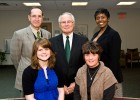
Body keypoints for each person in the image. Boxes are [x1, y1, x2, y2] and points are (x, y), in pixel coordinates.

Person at [10, 7, 51, 93]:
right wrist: (23, 69)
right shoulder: (19, 34)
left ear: (42, 18)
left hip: (43, 73)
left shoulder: (47, 34)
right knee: (27, 96)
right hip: (27, 72)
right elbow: (15, 57)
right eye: (34, 16)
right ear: (29, 18)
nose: (37, 19)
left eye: (39, 16)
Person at [49, 12, 88, 100]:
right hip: (57, 87)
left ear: (73, 24)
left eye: (69, 21)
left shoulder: (83, 41)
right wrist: (60, 84)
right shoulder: (51, 42)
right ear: (59, 25)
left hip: (77, 87)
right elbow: (50, 65)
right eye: (63, 22)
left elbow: (86, 64)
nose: (66, 24)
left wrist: (76, 82)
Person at [91, 8, 123, 97]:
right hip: (98, 73)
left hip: (110, 75)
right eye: (97, 18)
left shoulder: (113, 34)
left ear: (108, 18)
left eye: (103, 17)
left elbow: (115, 59)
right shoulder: (96, 34)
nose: (100, 20)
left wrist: (110, 78)